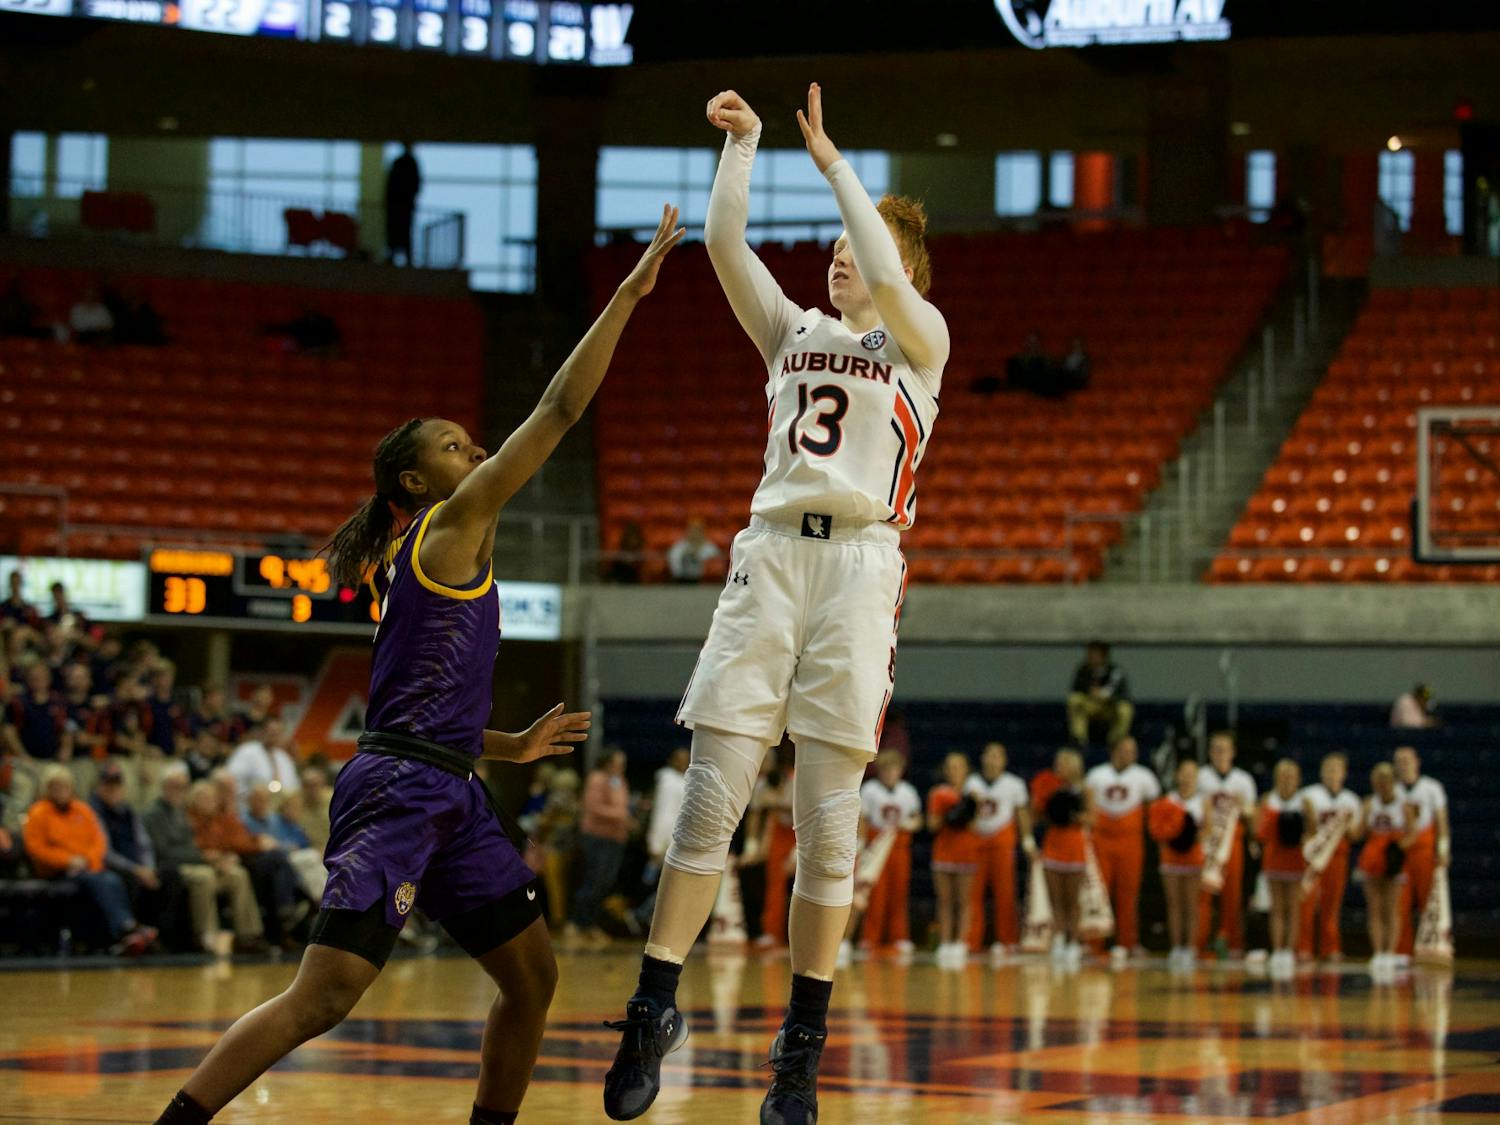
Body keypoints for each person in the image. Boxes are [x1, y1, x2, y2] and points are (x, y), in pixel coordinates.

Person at [149, 202, 681, 1125]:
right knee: (322, 998)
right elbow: (559, 408)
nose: (472, 448)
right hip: (399, 789)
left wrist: (508, 744)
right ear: (415, 484)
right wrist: (630, 292)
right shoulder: (449, 527)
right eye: (451, 445)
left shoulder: (431, 552)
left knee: (532, 976)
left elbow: (422, 703)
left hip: (445, 785)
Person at [605, 83, 947, 1125]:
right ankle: (653, 1004)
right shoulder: (791, 326)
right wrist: (747, 147)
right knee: (712, 795)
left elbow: (885, 266)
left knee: (827, 825)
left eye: (862, 245)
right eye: (840, 244)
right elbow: (721, 241)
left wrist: (841, 171)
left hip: (859, 568)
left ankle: (801, 1046)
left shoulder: (920, 340)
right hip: (770, 557)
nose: (843, 255)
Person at [22, 766, 157, 955]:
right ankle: (125, 929)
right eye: (55, 786)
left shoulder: (82, 810)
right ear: (47, 788)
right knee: (105, 880)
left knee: (113, 879)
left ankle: (121, 934)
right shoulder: (38, 812)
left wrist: (87, 861)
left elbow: (99, 841)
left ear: (72, 788)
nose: (60, 791)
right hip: (56, 871)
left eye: (64, 786)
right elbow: (36, 848)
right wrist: (68, 861)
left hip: (87, 868)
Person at [144, 763, 267, 955]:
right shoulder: (153, 815)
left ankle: (248, 935)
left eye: (183, 786)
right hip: (173, 867)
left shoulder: (180, 813)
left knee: (237, 874)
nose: (179, 791)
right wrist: (206, 858)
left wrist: (219, 859)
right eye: (175, 786)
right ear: (164, 786)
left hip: (198, 862)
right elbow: (164, 851)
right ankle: (206, 936)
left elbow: (199, 845)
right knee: (205, 876)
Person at [89, 760, 183, 945]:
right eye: (108, 785)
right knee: (126, 879)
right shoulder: (93, 811)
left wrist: (148, 867)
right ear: (99, 786)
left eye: (117, 785)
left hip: (138, 865)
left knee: (170, 874)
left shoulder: (128, 811)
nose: (113, 790)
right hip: (113, 865)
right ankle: (130, 936)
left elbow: (144, 843)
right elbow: (104, 851)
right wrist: (136, 869)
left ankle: (162, 936)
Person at [1084, 736, 1160, 962]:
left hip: (1130, 840)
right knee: (1098, 891)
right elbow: (1089, 810)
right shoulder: (1096, 776)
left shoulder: (1145, 777)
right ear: (1114, 750)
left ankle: (1127, 942)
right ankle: (1093, 941)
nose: (1130, 754)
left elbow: (1152, 811)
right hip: (1102, 839)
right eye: (1125, 749)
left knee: (1128, 892)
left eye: (1133, 750)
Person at [963, 741, 1032, 958]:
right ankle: (970, 940)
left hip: (1002, 842)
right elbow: (966, 813)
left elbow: (1022, 813)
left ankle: (1007, 940)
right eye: (989, 755)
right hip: (976, 843)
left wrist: (1027, 838)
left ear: (1004, 761)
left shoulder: (1014, 784)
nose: (992, 760)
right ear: (982, 758)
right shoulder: (971, 783)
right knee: (972, 894)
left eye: (997, 756)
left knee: (1005, 893)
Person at [1196, 731, 1257, 958]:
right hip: (1207, 843)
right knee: (1203, 894)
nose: (1220, 753)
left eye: (1224, 748)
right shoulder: (1201, 777)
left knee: (1232, 894)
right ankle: (1199, 943)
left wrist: (1244, 810)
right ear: (1210, 752)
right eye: (1215, 748)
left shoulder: (1243, 780)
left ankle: (1230, 942)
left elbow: (1251, 815)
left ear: (1233, 752)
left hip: (1232, 843)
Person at [566, 749, 633, 950]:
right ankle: (576, 921)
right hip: (598, 837)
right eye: (618, 762)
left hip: (616, 838)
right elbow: (593, 807)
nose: (621, 766)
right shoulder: (597, 779)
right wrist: (621, 816)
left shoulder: (619, 780)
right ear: (607, 762)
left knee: (606, 882)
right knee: (594, 879)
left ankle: (590, 923)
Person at [1297, 752, 1361, 963]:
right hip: (1313, 859)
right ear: (1321, 771)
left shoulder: (1350, 799)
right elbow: (1304, 830)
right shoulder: (1309, 795)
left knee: (1332, 904)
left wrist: (1347, 823)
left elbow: (1356, 834)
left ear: (1344, 773)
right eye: (1329, 768)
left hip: (1338, 858)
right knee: (1306, 902)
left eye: (1337, 769)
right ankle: (1303, 947)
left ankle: (1330, 947)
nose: (1333, 773)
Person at [857, 749, 921, 953]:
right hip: (877, 844)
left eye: (894, 769)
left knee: (899, 891)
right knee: (874, 892)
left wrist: (911, 824)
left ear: (901, 771)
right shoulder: (869, 790)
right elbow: (863, 819)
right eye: (886, 769)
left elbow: (918, 818)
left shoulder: (908, 792)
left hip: (899, 845)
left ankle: (899, 936)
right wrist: (861, 844)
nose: (890, 773)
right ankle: (870, 937)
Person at [1359, 763, 1419, 978]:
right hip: (1372, 860)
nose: (1382, 785)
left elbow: (1413, 834)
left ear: (1393, 782)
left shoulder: (1404, 806)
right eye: (1378, 781)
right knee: (1374, 907)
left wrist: (1397, 847)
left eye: (1386, 781)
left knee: (1392, 908)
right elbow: (1359, 833)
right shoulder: (1369, 804)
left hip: (1394, 860)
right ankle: (1378, 952)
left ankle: (1390, 952)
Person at [1034, 748, 1090, 968]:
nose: (1060, 767)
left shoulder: (1084, 789)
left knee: (1072, 900)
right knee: (1055, 899)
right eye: (1058, 763)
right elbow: (1036, 815)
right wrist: (1045, 804)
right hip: (1053, 846)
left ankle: (1073, 941)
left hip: (1074, 847)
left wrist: (1073, 814)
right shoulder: (1048, 787)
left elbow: (1092, 819)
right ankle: (1058, 938)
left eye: (1065, 763)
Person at [1393, 745, 1449, 961]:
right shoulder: (1393, 790)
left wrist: (1443, 850)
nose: (1404, 764)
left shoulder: (1432, 787)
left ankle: (1432, 949)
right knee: (1399, 903)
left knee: (1430, 901)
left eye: (1407, 759)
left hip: (1425, 849)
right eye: (1399, 760)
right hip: (1401, 850)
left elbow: (1442, 823)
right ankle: (1402, 951)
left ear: (1417, 761)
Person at [1149, 758, 1205, 969]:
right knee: (1174, 903)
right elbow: (1157, 830)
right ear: (1177, 775)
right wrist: (1172, 837)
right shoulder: (1168, 800)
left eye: (1192, 773)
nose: (1188, 777)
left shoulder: (1202, 801)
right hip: (1171, 858)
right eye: (1184, 772)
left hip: (1193, 858)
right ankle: (1176, 947)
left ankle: (1190, 947)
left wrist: (1190, 837)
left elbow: (1206, 829)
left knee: (1191, 904)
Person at [927, 751, 979, 970]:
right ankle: (946, 942)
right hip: (944, 852)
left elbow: (977, 826)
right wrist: (949, 813)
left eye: (958, 767)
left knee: (963, 901)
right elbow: (932, 825)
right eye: (950, 767)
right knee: (945, 901)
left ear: (966, 769)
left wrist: (968, 812)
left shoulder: (974, 794)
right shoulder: (938, 793)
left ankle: (960, 942)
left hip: (966, 851)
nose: (954, 771)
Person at [1257, 759, 1307, 978]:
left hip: (1295, 859)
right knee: (1277, 907)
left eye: (1291, 776)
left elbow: (1313, 832)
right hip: (1274, 857)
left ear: (1298, 779)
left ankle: (1289, 950)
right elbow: (1258, 830)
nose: (1287, 780)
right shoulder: (1268, 799)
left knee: (1293, 907)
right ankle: (1278, 949)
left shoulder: (1304, 802)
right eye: (1283, 776)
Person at [753, 745, 798, 950]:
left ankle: (800, 935)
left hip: (800, 831)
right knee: (774, 881)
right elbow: (756, 815)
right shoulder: (762, 784)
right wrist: (754, 844)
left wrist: (777, 803)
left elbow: (803, 813)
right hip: (780, 831)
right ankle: (771, 932)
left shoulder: (796, 780)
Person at [1066, 642, 1133, 748]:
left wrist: (1105, 695)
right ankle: (1079, 741)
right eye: (1091, 654)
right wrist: (1090, 692)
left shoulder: (1115, 671)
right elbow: (1076, 689)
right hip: (1090, 706)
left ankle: (1115, 742)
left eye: (1096, 654)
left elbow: (1123, 694)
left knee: (1125, 709)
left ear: (1104, 656)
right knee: (1074, 700)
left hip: (1108, 707)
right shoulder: (1083, 670)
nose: (1093, 657)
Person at [226, 718, 302, 798]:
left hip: (280, 805)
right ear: (262, 732)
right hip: (249, 804)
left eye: (278, 733)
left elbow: (294, 786)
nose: (274, 736)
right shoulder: (247, 751)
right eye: (272, 732)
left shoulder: (284, 758)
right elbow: (232, 779)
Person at [385, 142, 421, 266]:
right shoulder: (403, 162)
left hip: (402, 205)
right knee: (398, 231)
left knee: (402, 231)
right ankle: (398, 256)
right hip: (399, 205)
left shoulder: (407, 163)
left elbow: (415, 185)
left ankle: (403, 257)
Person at [665, 518, 720, 584]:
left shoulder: (710, 548)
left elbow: (716, 566)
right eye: (692, 530)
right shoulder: (679, 547)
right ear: (688, 532)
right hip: (682, 583)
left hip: (706, 584)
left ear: (703, 532)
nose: (695, 533)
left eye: (698, 530)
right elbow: (674, 564)